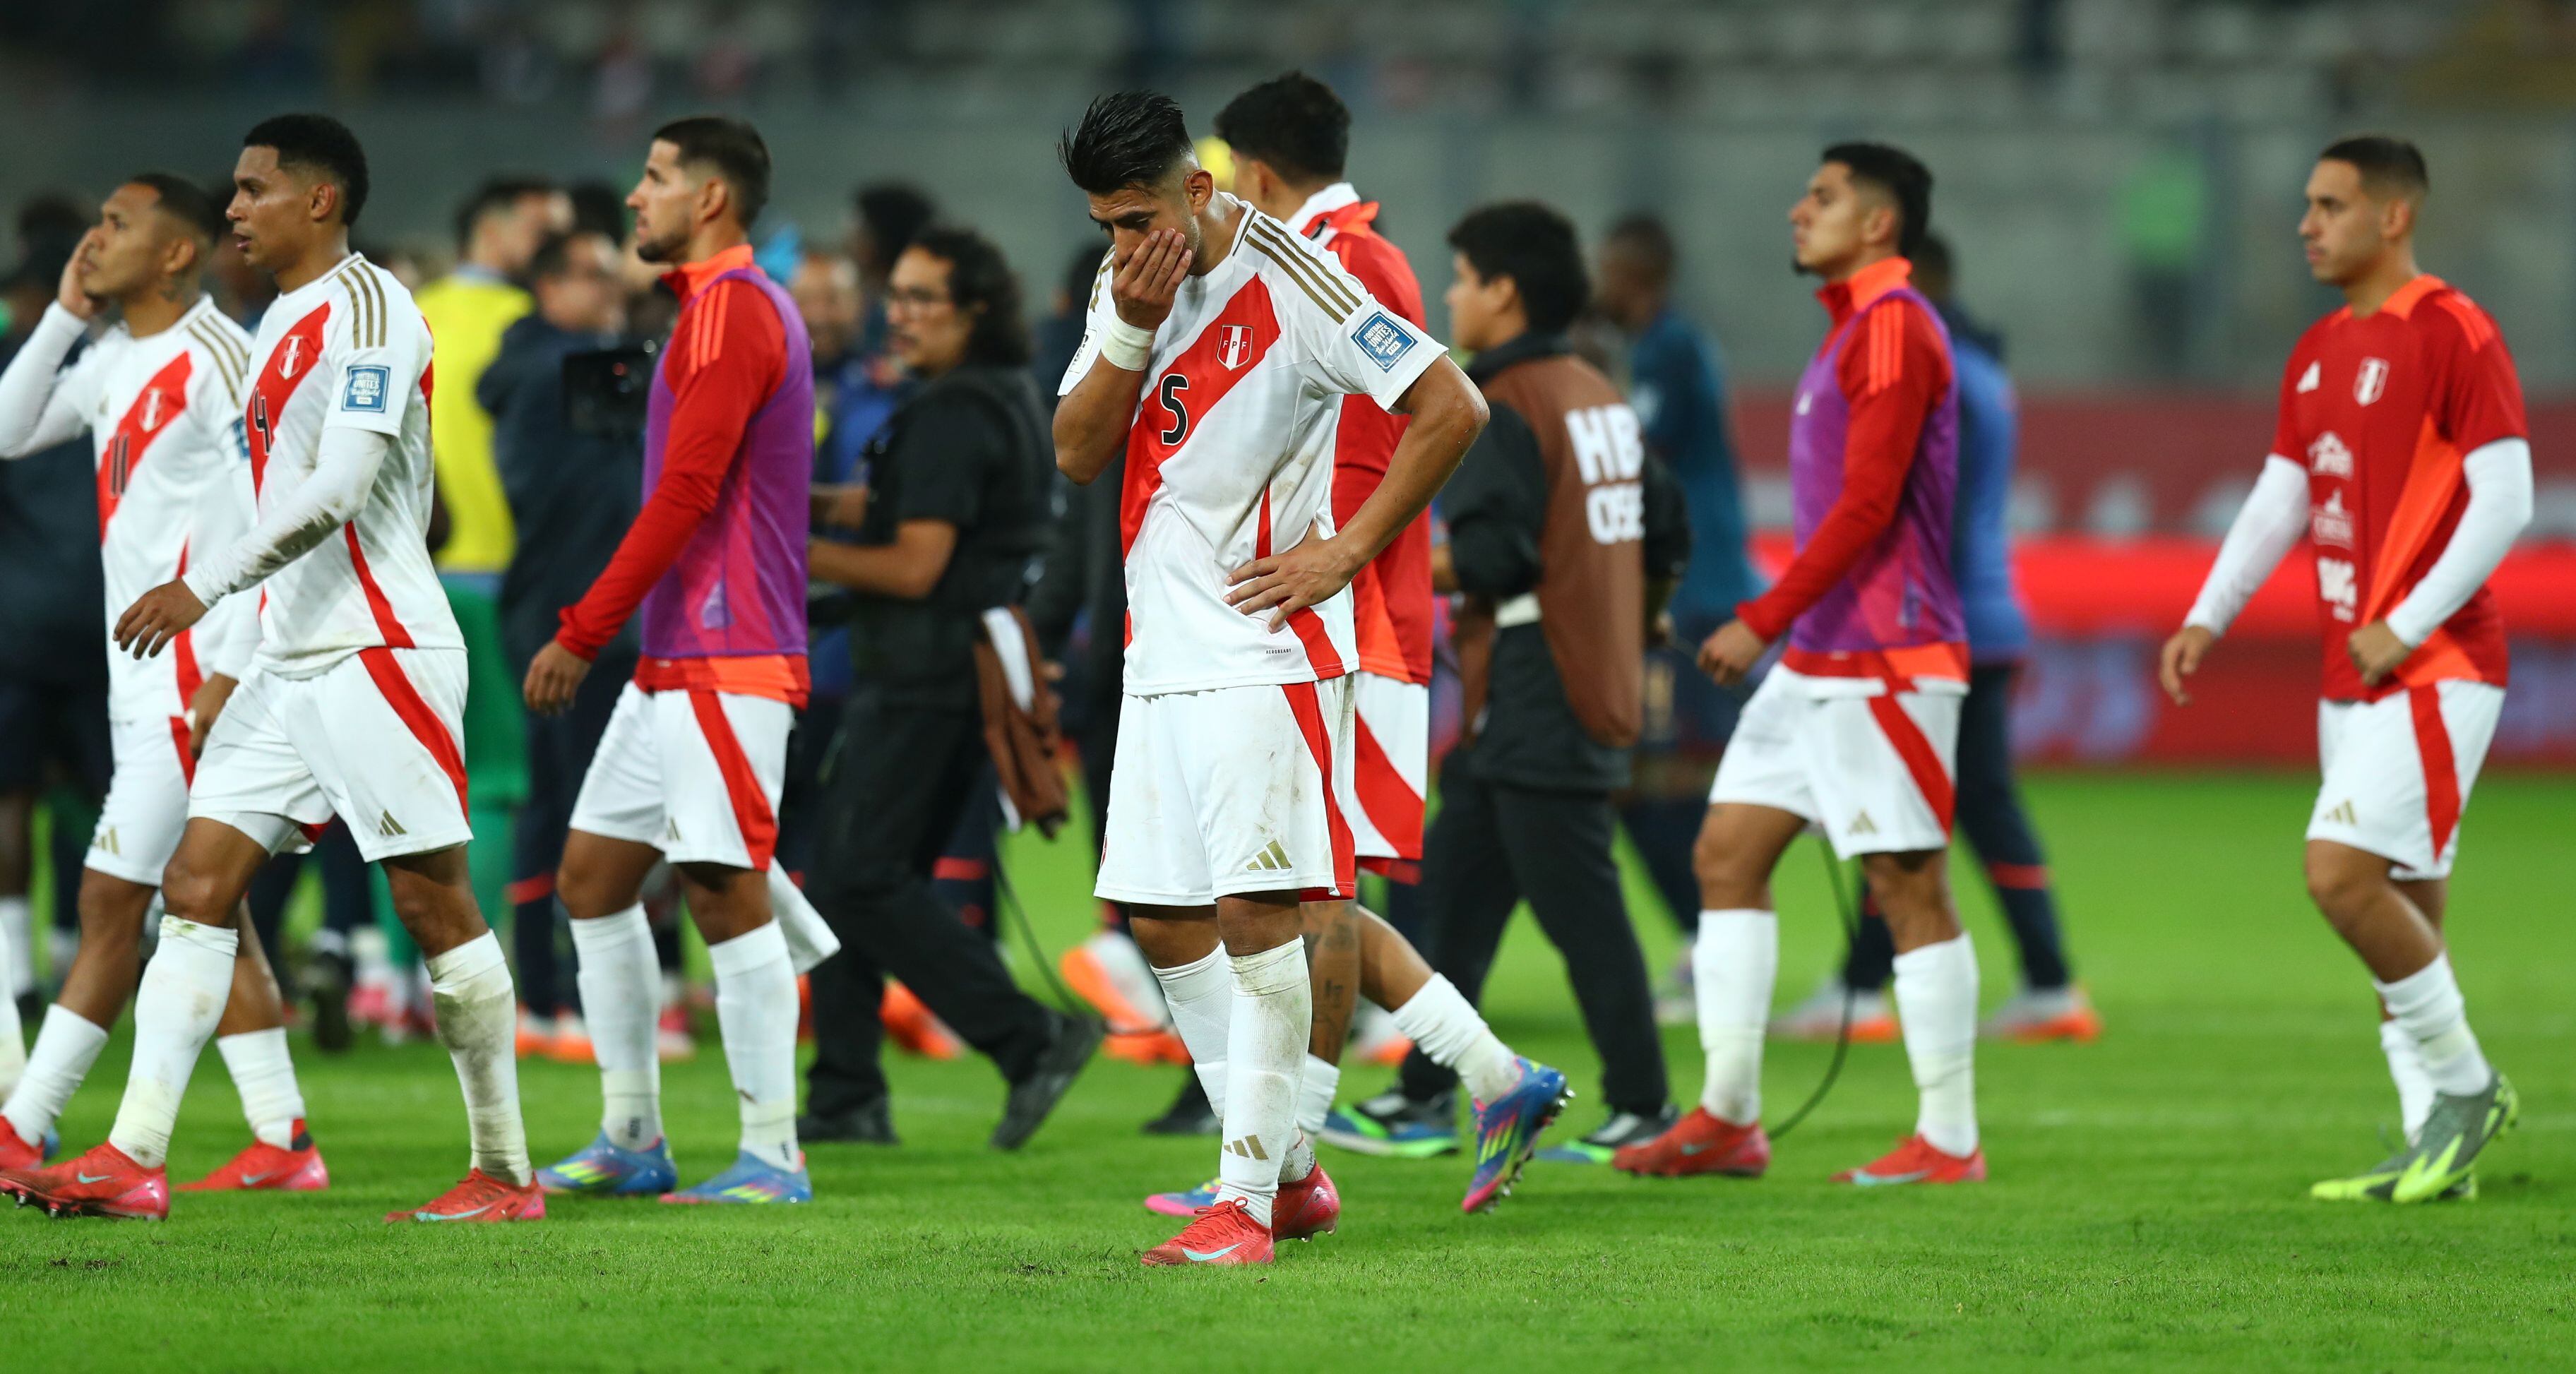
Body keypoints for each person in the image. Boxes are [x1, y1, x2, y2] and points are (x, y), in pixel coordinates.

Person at [2, 114, 539, 1223]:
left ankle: (505, 1170)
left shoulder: (372, 307)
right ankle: (134, 1154)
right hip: (285, 661)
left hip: (376, 646)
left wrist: (204, 592)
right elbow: (263, 497)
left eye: (254, 191)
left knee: (434, 902)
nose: (235, 207)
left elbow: (342, 485)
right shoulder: (278, 320)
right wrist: (237, 654)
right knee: (194, 888)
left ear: (321, 200)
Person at [1051, 90, 1488, 1266]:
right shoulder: (1123, 286)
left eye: (1136, 215)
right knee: (1159, 917)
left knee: (1257, 916)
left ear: (1200, 188)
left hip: (1264, 654)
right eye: (1102, 223)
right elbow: (1077, 451)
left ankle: (1244, 1201)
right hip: (1160, 657)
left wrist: (1347, 548)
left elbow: (1452, 407)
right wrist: (1133, 325)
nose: (1121, 242)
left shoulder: (1305, 278)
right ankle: (1290, 1174)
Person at [1192, 70, 1572, 1215]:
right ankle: (1377, 1117)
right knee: (1312, 888)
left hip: (1348, 617)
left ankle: (1352, 1126)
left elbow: (1415, 429)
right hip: (1342, 610)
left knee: (1312, 889)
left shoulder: (1342, 260)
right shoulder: (1353, 252)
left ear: (1253, 176)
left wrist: (1337, 559)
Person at [2162, 136, 2528, 1204]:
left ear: (2394, 215)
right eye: (2307, 205)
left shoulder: (2454, 331)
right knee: (2403, 903)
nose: (2305, 223)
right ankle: (2436, 1144)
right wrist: (2207, 613)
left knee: (2339, 876)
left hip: (2434, 664)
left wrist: (2407, 624)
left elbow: (2506, 498)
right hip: (2351, 672)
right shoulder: (2320, 347)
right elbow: (2282, 496)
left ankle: (2466, 1088)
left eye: (2329, 205)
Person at [1617, 143, 1988, 1188]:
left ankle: (1951, 1139)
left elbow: (1870, 508)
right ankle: (1729, 1117)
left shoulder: (1895, 330)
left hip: (1888, 657)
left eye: (1821, 198)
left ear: (1878, 223)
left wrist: (1763, 616)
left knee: (1907, 883)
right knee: (1726, 854)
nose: (1798, 210)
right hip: (1826, 657)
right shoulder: (1851, 335)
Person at [525, 116, 836, 1207]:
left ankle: (772, 1153)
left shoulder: (735, 311)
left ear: (710, 197)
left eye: (654, 177)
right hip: (680, 656)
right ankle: (630, 1136)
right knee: (593, 879)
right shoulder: (711, 313)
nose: (634, 196)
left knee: (720, 887)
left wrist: (581, 627)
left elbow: (688, 494)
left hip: (728, 647)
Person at [0, 172, 323, 1192]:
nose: (95, 239)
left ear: (178, 253)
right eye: (94, 221)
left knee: (112, 900)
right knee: (204, 907)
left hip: (203, 684)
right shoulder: (110, 357)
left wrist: (232, 666)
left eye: (116, 224)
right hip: (135, 679)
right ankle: (283, 1138)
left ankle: (24, 1126)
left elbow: (279, 517)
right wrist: (61, 313)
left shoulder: (225, 358)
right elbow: (7, 432)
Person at [1354, 201, 1683, 1166]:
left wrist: (1377, 560)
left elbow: (1495, 557)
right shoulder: (1594, 390)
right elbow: (1665, 531)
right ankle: (1422, 1093)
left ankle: (1647, 1105)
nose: (1451, 293)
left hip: (1539, 680)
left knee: (1582, 908)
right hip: (1569, 678)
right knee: (1457, 893)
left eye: (1460, 276)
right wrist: (1638, 609)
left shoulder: (1502, 399)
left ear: (1502, 289)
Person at [799, 225, 1104, 1149]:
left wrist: (776, 547)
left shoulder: (949, 414)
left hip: (924, 674)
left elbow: (915, 561)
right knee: (863, 878)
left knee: (854, 879)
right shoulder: (1002, 398)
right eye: (896, 295)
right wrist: (786, 495)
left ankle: (1028, 1035)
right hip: (961, 670)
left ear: (975, 310)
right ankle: (848, 1089)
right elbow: (895, 513)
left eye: (923, 298)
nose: (901, 315)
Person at [1771, 233, 2097, 1045]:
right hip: (1981, 617)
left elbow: (1915, 517)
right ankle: (2041, 981)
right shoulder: (1982, 371)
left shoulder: (1928, 367)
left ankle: (1870, 990)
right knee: (1968, 805)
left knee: (1908, 810)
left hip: (1934, 623)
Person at [1593, 213, 1759, 1022]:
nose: (1601, 288)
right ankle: (1713, 942)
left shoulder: (1666, 349)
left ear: (1638, 276)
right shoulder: (1678, 344)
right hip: (1698, 584)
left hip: (1689, 595)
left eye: (1609, 273)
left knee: (1662, 779)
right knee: (1657, 780)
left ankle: (1714, 944)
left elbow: (1634, 450)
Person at [483, 227, 641, 1061]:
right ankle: (560, 997)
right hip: (573, 620)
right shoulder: (562, 372)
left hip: (565, 612)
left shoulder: (554, 371)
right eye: (593, 276)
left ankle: (546, 996)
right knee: (583, 806)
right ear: (547, 285)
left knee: (560, 801)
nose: (611, 292)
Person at [416, 176, 571, 962]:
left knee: (417, 783)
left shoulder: (411, 313)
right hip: (508, 575)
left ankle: (399, 977)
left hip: (414, 577)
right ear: (494, 227)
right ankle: (491, 955)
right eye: (543, 231)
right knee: (506, 781)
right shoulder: (531, 327)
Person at [0, 201, 111, 1037]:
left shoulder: (17, 374)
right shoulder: (122, 363)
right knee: (119, 793)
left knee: (10, 794)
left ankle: (14, 970)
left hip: (16, 618)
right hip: (117, 616)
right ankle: (103, 945)